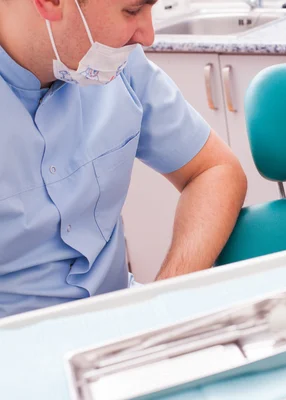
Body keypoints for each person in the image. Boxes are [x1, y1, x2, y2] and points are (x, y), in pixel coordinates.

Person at [0, 0, 247, 318]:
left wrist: (166, 300)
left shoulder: (116, 65)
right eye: (132, 11)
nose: (148, 35)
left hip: (124, 320)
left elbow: (215, 169)